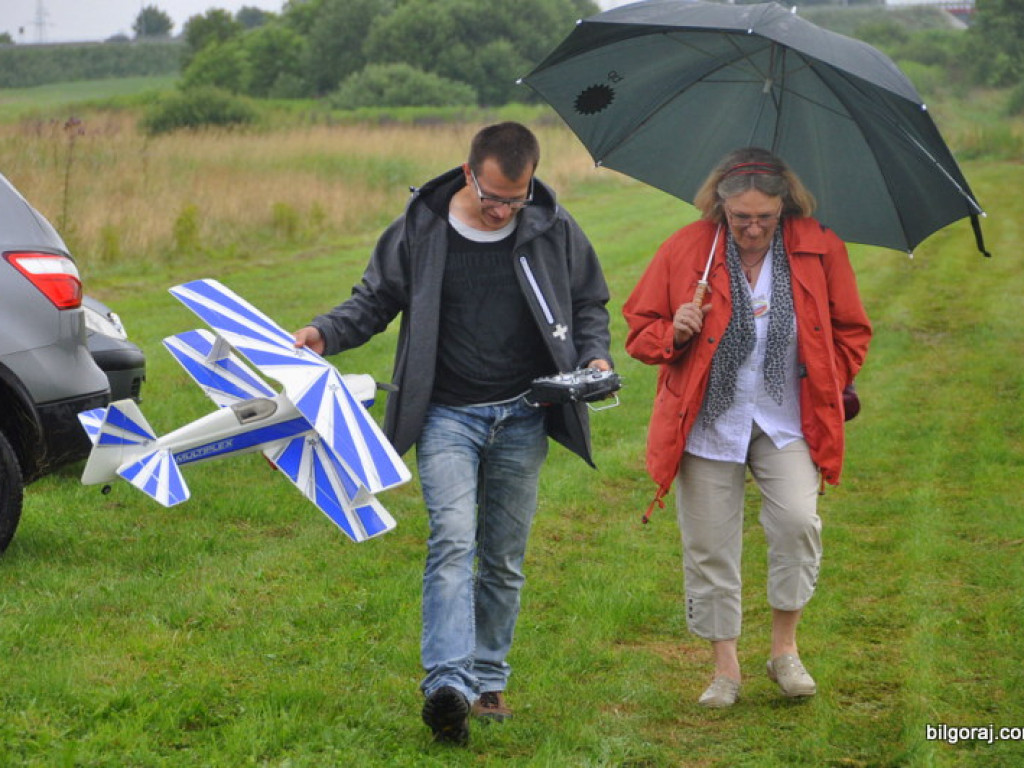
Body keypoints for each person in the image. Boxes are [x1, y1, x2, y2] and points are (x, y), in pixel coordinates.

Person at [293, 122, 613, 743]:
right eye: (492, 197)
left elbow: (587, 302)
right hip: (446, 414)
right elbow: (374, 300)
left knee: (503, 558)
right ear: (469, 174)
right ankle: (447, 686)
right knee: (452, 541)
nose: (501, 212)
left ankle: (488, 678)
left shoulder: (550, 226)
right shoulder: (423, 225)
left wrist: (594, 358)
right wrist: (324, 333)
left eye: (513, 200)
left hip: (525, 412)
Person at [622, 147, 871, 708]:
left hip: (788, 420)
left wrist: (828, 376)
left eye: (765, 217)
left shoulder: (818, 245)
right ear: (720, 207)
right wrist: (676, 332)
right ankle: (725, 670)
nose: (753, 229)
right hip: (709, 422)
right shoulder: (688, 250)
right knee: (709, 544)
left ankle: (785, 652)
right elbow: (640, 332)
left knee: (797, 523)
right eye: (740, 219)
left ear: (786, 206)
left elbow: (851, 328)